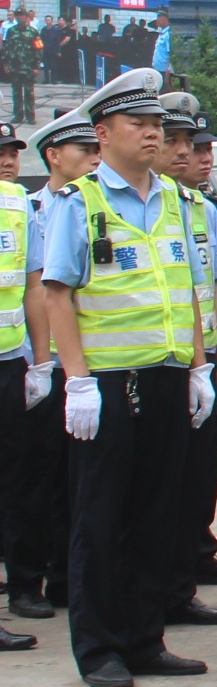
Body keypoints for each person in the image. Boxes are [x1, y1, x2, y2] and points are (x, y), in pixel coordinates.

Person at [39, 68, 217, 687]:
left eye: (156, 126)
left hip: (167, 378)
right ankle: (100, 646)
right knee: (101, 518)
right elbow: (58, 293)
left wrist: (198, 367)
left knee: (156, 515)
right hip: (111, 384)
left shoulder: (177, 202)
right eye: (138, 125)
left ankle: (145, 638)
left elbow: (192, 292)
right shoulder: (79, 202)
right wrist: (77, 381)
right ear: (102, 132)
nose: (152, 135)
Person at [7, 110, 97, 628]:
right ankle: (27, 577)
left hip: (81, 363)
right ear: (54, 157)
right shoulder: (31, 209)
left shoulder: (98, 209)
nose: (92, 160)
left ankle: (66, 574)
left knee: (74, 482)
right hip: (35, 364)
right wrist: (39, 362)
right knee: (33, 478)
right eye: (83, 152)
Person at [159, 93, 217, 599]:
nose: (190, 154)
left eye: (196, 144)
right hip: (161, 361)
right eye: (179, 142)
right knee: (164, 482)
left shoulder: (201, 208)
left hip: (205, 355)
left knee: (201, 471)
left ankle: (190, 561)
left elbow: (215, 289)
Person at [0, 124, 32, 650]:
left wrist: (40, 362)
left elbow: (31, 282)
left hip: (10, 359)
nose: (6, 161)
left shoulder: (16, 203)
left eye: (10, 151)